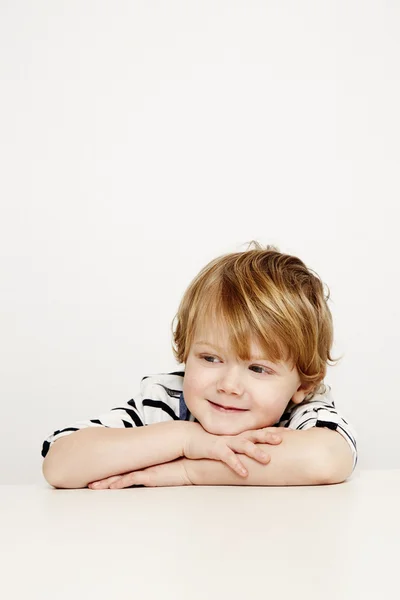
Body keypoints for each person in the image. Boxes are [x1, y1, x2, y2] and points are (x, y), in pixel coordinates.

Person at [41, 241, 358, 489]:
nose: (228, 386)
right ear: (186, 350)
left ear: (303, 385)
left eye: (258, 369)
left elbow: (324, 460)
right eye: (210, 358)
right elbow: (60, 465)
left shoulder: (303, 414)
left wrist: (188, 470)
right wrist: (185, 439)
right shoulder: (167, 401)